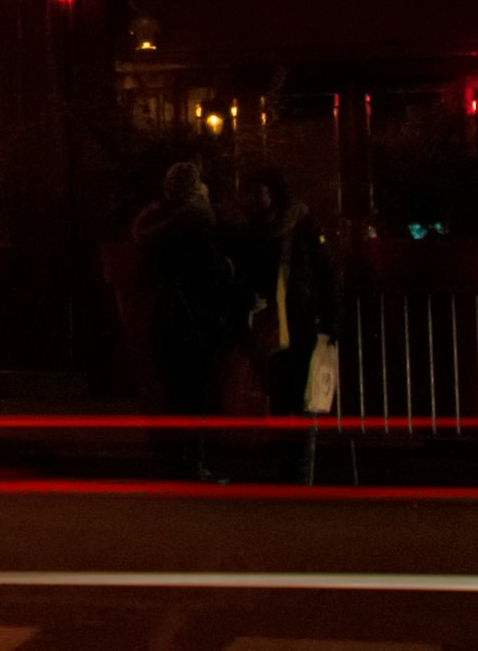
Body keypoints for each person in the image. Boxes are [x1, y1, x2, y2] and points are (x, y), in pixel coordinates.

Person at [132, 160, 253, 477]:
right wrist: (228, 269)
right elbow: (212, 273)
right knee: (197, 394)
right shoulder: (196, 224)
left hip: (166, 319)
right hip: (196, 321)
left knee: (176, 393)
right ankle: (193, 461)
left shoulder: (155, 227)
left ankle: (178, 460)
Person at [235, 167, 337, 480]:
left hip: (299, 321)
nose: (253, 200)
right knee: (280, 395)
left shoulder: (300, 226)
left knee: (300, 396)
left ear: (274, 194)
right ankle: (288, 467)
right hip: (274, 321)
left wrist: (331, 321)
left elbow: (325, 274)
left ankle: (299, 468)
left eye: (259, 193)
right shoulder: (258, 229)